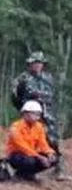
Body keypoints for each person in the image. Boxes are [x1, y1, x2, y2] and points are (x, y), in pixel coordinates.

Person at [11, 51, 64, 180]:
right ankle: (25, 170)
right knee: (27, 139)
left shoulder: (48, 78)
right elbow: (14, 96)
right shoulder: (22, 78)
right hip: (30, 111)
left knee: (52, 139)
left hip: (46, 112)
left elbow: (52, 94)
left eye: (40, 63)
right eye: (35, 63)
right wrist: (24, 108)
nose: (37, 65)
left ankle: (58, 168)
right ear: (30, 64)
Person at [5, 101, 56, 181]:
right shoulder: (15, 127)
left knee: (53, 159)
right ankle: (20, 174)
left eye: (38, 114)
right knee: (30, 160)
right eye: (34, 114)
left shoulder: (39, 127)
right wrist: (39, 157)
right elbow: (22, 146)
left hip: (32, 154)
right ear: (25, 114)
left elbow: (43, 143)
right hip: (16, 155)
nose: (37, 117)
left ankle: (28, 174)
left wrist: (49, 153)